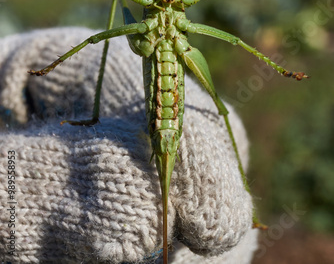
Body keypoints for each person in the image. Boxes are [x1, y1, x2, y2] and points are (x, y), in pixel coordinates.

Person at [0, 27, 258, 263]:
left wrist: (18, 56)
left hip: (172, 106)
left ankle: (245, 204)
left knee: (220, 113)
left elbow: (235, 38)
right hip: (154, 115)